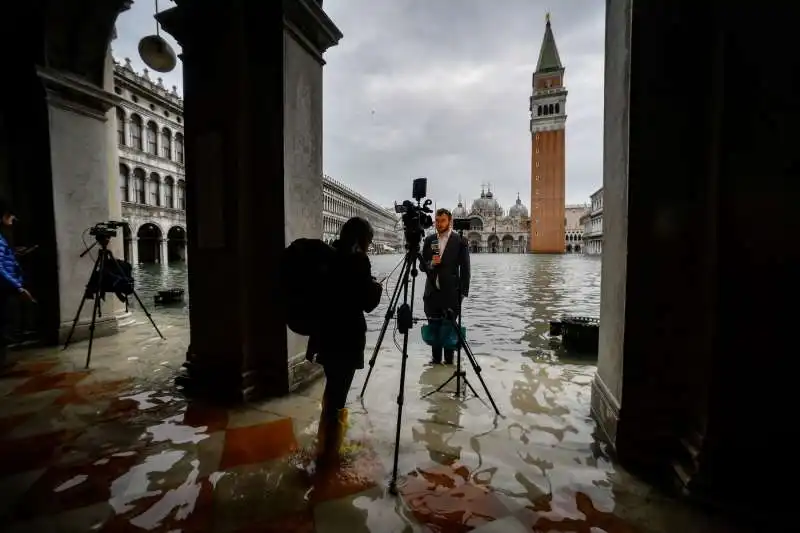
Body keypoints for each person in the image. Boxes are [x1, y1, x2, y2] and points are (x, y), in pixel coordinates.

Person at [311, 216, 382, 464]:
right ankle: (330, 453)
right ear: (362, 239)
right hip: (347, 336)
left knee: (332, 390)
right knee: (339, 395)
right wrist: (377, 288)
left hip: (325, 334)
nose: (370, 245)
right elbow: (368, 303)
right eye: (369, 240)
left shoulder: (330, 255)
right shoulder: (358, 261)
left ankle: (324, 443)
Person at [420, 208, 471, 365]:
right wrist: (430, 264)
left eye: (442, 220)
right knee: (434, 326)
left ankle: (449, 361)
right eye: (437, 220)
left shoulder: (459, 241)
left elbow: (466, 269)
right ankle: (435, 360)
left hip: (451, 294)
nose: (439, 224)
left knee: (449, 328)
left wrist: (462, 293)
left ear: (450, 222)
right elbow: (422, 266)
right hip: (432, 293)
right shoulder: (430, 240)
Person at [0, 200, 35, 370]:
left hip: (7, 287)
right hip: (5, 288)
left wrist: (13, 254)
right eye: (10, 217)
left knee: (7, 323)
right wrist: (18, 287)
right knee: (6, 324)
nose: (12, 221)